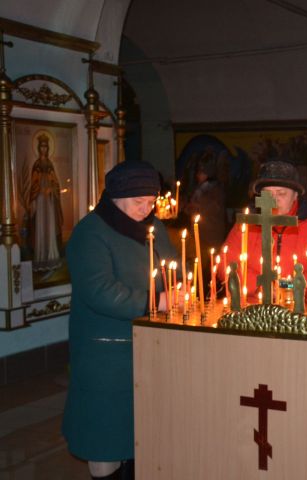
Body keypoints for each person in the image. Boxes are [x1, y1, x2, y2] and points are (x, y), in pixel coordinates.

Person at [62, 160, 177, 479]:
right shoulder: (90, 233)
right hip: (106, 353)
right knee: (106, 436)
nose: (146, 209)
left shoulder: (156, 227)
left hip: (150, 345)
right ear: (115, 198)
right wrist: (155, 301)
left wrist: (179, 286)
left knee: (143, 434)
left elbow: (172, 265)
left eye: (151, 201)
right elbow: (99, 290)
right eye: (138, 202)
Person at [223, 160, 307, 301]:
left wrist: (290, 286)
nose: (274, 200)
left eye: (281, 194)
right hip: (252, 307)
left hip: (298, 308)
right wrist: (260, 284)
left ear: (295, 195)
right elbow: (225, 264)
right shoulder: (247, 224)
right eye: (268, 193)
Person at [183, 151, 227, 278]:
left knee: (211, 269)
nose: (198, 176)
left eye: (201, 173)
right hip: (200, 234)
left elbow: (214, 208)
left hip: (211, 234)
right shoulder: (201, 188)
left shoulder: (216, 189)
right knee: (200, 267)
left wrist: (196, 207)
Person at [28, 132, 63, 271]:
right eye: (42, 147)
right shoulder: (36, 164)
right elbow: (34, 184)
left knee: (49, 226)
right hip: (40, 202)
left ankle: (51, 254)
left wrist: (51, 189)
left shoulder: (50, 164)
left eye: (46, 147)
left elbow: (55, 182)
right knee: (41, 226)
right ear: (38, 148)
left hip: (48, 202)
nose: (44, 149)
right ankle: (41, 255)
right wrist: (39, 192)